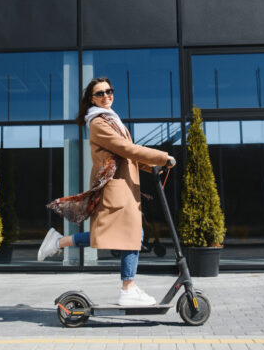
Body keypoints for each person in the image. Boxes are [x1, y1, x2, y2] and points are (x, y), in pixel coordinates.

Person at [38, 77, 176, 306]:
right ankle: (128, 288)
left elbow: (127, 155)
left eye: (109, 91)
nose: (106, 96)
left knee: (122, 236)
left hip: (126, 187)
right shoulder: (98, 123)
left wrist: (153, 167)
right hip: (116, 190)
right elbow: (125, 148)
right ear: (91, 99)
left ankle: (60, 242)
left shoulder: (113, 120)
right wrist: (161, 157)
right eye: (100, 93)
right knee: (130, 236)